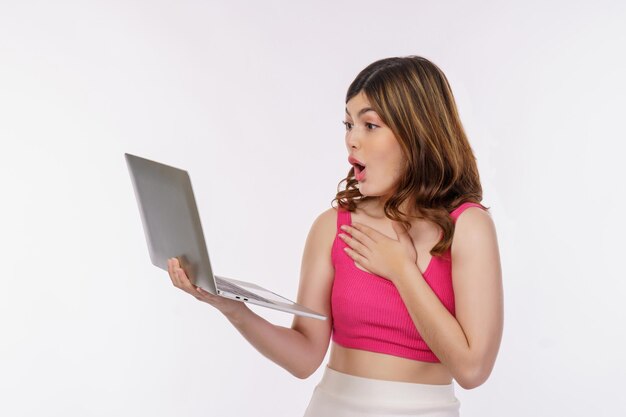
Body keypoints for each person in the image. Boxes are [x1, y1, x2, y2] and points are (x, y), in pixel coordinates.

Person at [167, 55, 503, 417]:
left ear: (417, 132)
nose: (351, 140)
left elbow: (472, 370)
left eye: (370, 125)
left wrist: (401, 271)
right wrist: (232, 308)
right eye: (348, 124)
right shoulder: (333, 226)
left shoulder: (468, 227)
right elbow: (304, 357)